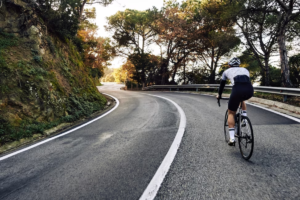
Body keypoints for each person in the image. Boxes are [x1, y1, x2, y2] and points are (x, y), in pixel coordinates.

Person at [216, 57, 254, 146]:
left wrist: (219, 95)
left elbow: (222, 85)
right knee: (242, 99)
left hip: (237, 90)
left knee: (231, 113)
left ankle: (232, 139)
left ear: (229, 65)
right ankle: (244, 118)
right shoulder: (245, 70)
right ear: (239, 64)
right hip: (249, 90)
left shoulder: (226, 72)